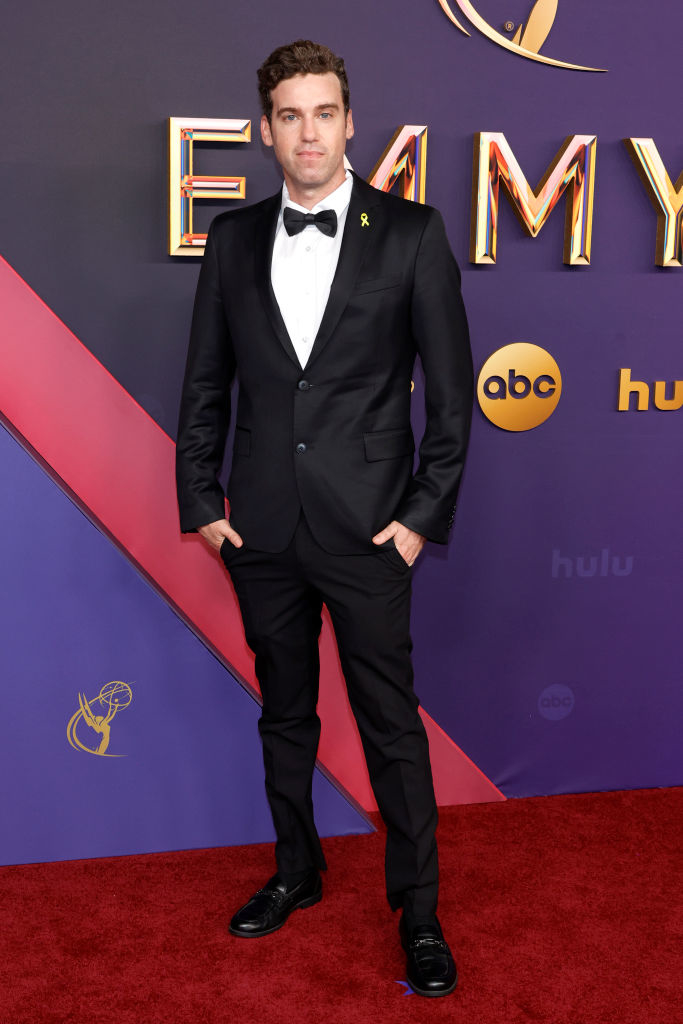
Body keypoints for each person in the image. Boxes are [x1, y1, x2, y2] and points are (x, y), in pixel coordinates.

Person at [175, 39, 473, 998]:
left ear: (350, 122)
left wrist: (420, 518)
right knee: (285, 716)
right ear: (266, 132)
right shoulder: (231, 240)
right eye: (290, 116)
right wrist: (201, 504)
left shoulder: (413, 233)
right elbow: (204, 387)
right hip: (259, 530)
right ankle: (297, 869)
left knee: (391, 727)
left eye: (325, 113)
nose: (309, 133)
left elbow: (455, 399)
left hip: (371, 530)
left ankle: (419, 915)